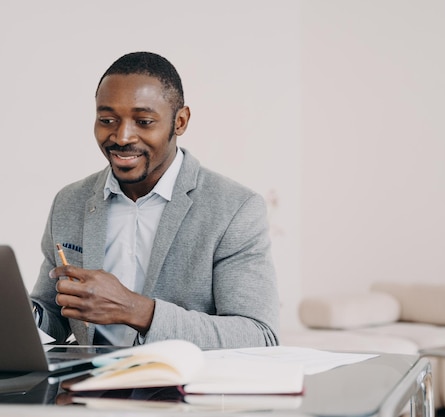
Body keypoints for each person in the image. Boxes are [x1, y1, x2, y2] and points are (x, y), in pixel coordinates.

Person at [30, 52, 279, 349]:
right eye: (107, 120)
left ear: (180, 121)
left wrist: (136, 310)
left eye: (144, 121)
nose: (122, 137)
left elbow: (258, 335)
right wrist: (15, 313)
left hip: (182, 390)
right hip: (87, 387)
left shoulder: (235, 208)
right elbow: (54, 316)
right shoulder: (70, 202)